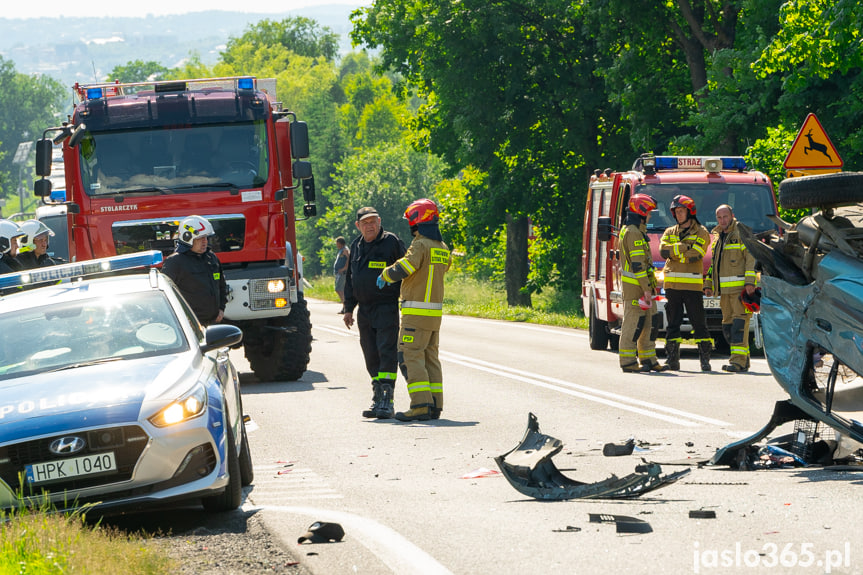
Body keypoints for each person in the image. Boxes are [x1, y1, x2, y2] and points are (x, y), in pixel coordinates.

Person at [379, 198, 451, 421]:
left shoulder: (420, 245)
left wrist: (385, 274)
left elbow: (406, 267)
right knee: (430, 357)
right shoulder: (442, 247)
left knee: (409, 355)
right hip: (433, 315)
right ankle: (434, 405)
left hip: (416, 314)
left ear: (417, 221)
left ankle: (420, 404)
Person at [343, 207, 406, 419]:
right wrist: (348, 308)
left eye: (373, 221)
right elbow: (350, 279)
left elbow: (407, 270)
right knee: (370, 353)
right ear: (358, 225)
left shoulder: (391, 242)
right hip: (364, 310)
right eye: (365, 222)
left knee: (386, 351)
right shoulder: (356, 245)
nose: (369, 225)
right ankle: (378, 396)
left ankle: (387, 401)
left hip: (386, 306)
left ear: (379, 221)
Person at [660, 195, 713, 372]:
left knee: (699, 324)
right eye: (676, 211)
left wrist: (675, 252)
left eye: (681, 211)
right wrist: (683, 248)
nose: (679, 214)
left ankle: (705, 362)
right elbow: (662, 251)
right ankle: (672, 360)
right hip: (672, 286)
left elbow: (696, 254)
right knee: (672, 325)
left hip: (692, 286)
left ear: (690, 212)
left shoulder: (702, 232)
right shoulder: (669, 232)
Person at [618, 194, 668, 373]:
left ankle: (648, 358)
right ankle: (628, 361)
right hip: (636, 287)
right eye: (648, 213)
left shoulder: (636, 230)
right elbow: (638, 264)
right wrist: (646, 289)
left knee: (649, 322)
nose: (650, 216)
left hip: (644, 285)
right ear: (641, 212)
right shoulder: (633, 232)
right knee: (634, 322)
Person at [705, 204, 757, 373]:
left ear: (732, 215)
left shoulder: (741, 233)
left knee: (738, 326)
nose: (722, 220)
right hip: (723, 293)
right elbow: (714, 264)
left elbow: (751, 259)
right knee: (728, 327)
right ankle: (744, 359)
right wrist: (708, 284)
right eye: (719, 217)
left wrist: (750, 282)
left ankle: (737, 362)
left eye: (725, 217)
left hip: (739, 290)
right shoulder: (718, 236)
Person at [162, 215, 227, 326]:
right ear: (187, 237)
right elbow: (165, 295)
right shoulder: (174, 262)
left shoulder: (211, 258)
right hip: (189, 326)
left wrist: (221, 308)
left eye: (206, 237)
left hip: (214, 322)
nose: (205, 241)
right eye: (200, 238)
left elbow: (221, 285)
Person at [333, 236, 350, 314]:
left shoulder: (345, 250)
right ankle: (344, 307)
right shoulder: (341, 250)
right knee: (340, 290)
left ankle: (346, 306)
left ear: (340, 243)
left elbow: (349, 259)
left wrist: (344, 268)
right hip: (339, 273)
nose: (337, 245)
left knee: (339, 289)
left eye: (337, 244)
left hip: (343, 273)